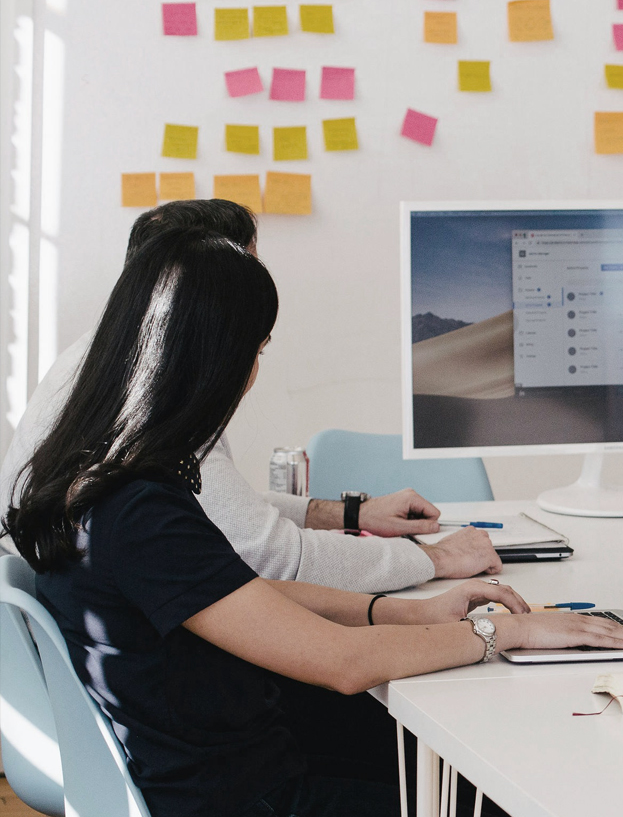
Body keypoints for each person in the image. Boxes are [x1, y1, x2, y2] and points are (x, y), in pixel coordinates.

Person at [1, 230, 623, 817]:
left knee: (455, 799)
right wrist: (497, 632)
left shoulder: (91, 476)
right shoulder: (142, 506)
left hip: (193, 794)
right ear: (217, 358)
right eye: (256, 348)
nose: (255, 369)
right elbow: (340, 670)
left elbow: (236, 597)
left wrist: (399, 612)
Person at [0, 199, 500, 592]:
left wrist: (352, 515)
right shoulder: (151, 395)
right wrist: (432, 559)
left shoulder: (104, 362)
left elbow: (209, 508)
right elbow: (272, 558)